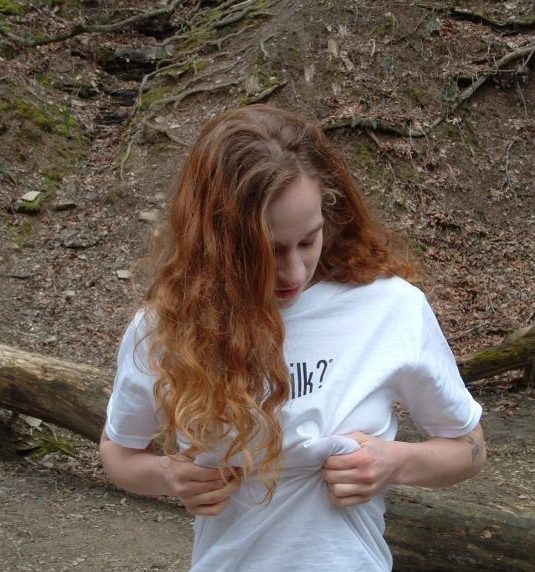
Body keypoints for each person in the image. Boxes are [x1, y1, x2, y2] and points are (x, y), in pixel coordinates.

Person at [100, 104, 485, 572]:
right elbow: (119, 452)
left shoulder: (390, 307)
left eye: (308, 240)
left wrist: (392, 463)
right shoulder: (169, 326)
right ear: (215, 240)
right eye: (266, 250)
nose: (293, 272)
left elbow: (469, 448)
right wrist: (169, 475)